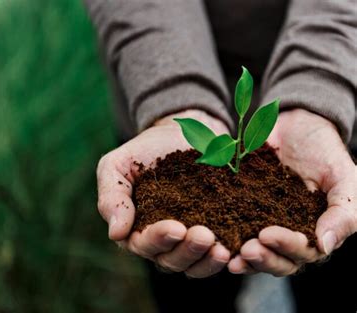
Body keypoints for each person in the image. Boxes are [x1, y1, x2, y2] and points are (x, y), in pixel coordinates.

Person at [84, 1, 357, 312]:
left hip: (340, 92)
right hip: (152, 86)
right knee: (191, 289)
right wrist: (173, 96)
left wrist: (320, 90)